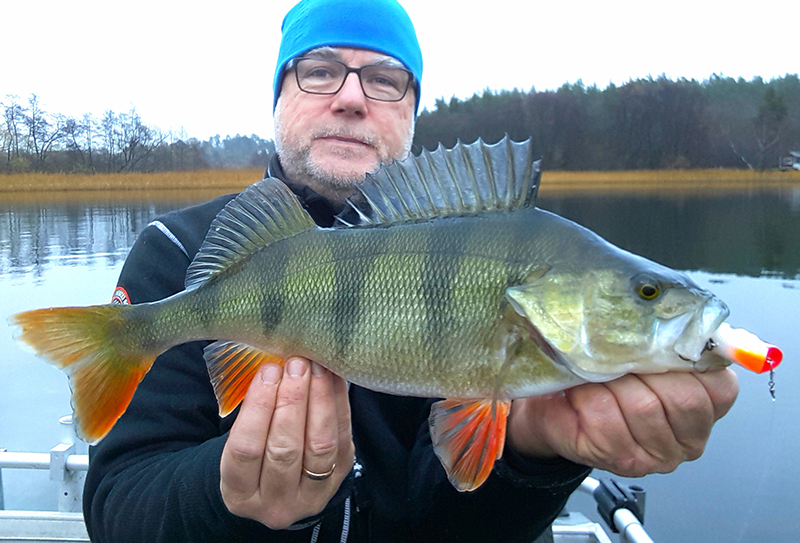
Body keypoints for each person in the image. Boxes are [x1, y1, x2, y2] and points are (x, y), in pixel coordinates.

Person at [83, 0, 739, 541]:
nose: (349, 97)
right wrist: (228, 498)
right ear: (278, 94)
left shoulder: (512, 267)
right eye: (318, 70)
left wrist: (534, 448)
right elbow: (116, 505)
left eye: (385, 79)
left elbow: (456, 510)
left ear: (413, 110)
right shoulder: (174, 250)